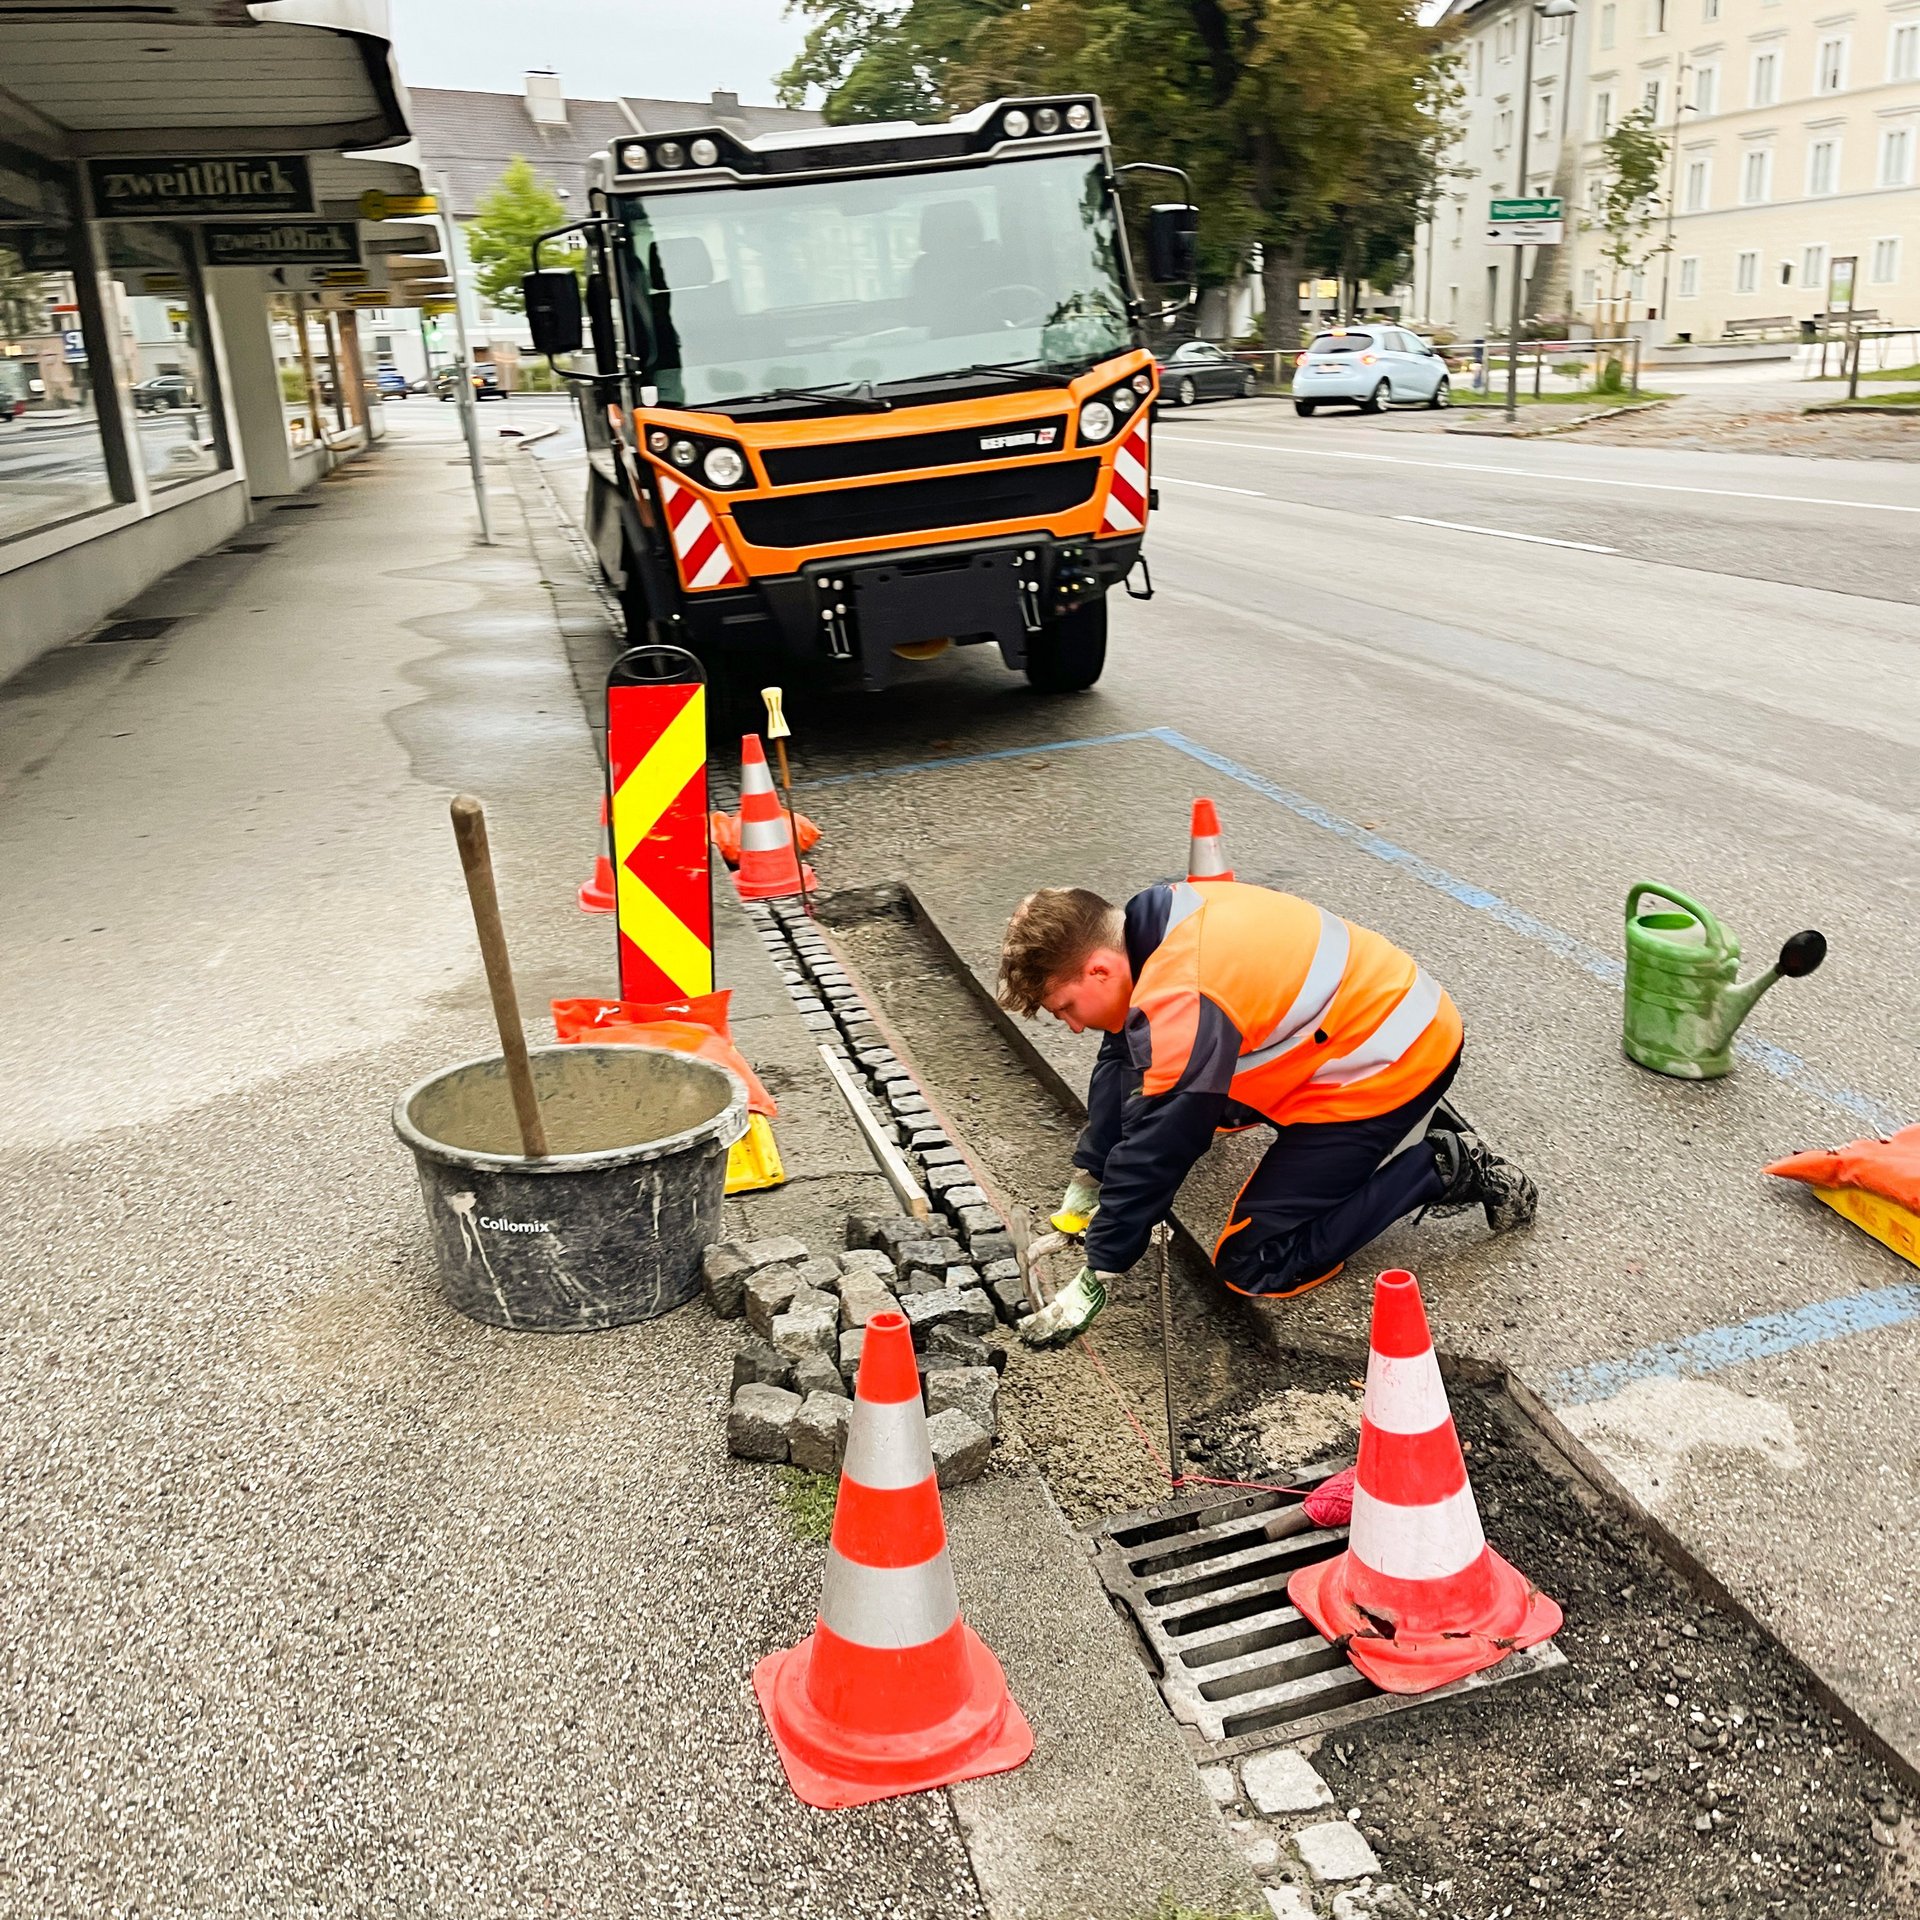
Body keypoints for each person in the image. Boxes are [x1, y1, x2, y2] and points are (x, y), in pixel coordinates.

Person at [996, 878, 1537, 1348]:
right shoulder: (1152, 923)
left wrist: (1102, 1268)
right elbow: (1127, 1055)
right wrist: (1092, 1172)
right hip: (1363, 1024)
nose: (1069, 1025)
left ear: (1099, 969)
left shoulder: (1186, 991)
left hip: (1392, 1064)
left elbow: (1159, 1147)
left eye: (1065, 1007)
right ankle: (1356, 1146)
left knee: (1254, 1263)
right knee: (1180, 1097)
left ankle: (1441, 1168)